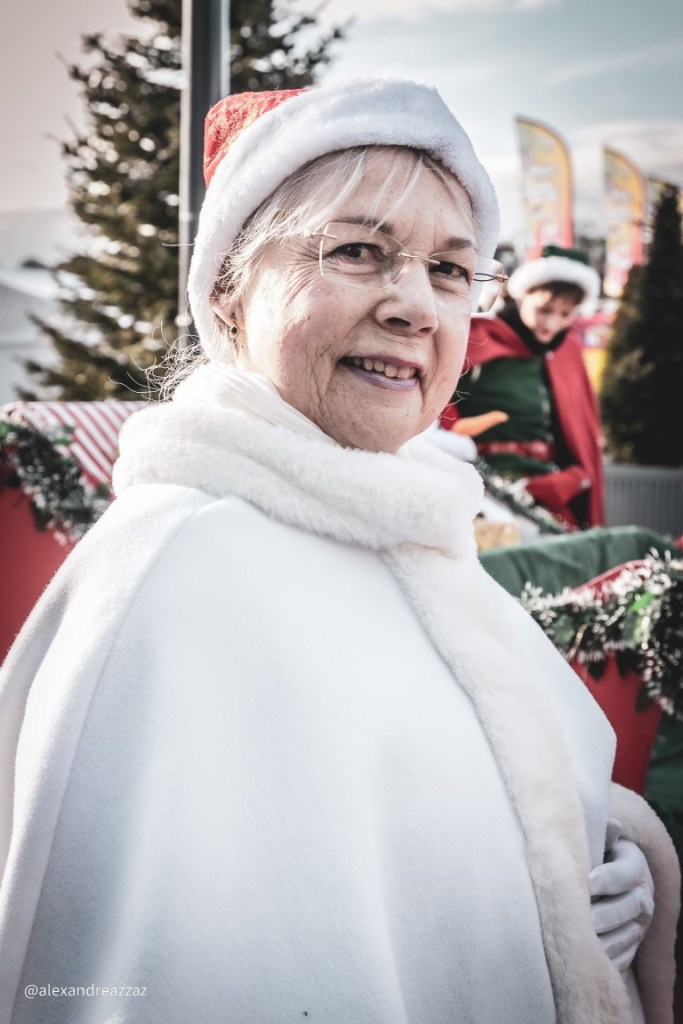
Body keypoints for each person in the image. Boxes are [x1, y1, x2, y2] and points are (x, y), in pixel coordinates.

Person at [0, 80, 678, 1024]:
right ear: (229, 293)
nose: (415, 306)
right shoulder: (180, 576)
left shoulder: (407, 528)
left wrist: (586, 875)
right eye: (357, 251)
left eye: (450, 270)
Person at [440, 247, 604, 528]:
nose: (552, 323)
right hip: (484, 487)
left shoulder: (568, 351)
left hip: (549, 488)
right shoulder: (478, 336)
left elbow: (577, 437)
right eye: (544, 310)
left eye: (566, 314)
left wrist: (572, 478)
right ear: (522, 296)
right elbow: (438, 400)